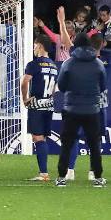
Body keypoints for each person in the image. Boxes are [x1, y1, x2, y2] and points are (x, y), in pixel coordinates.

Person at [56, 33, 106, 187]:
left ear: (75, 45)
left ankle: (62, 177)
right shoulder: (97, 63)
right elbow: (103, 86)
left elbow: (62, 86)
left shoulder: (68, 63)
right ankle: (97, 178)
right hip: (92, 110)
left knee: (67, 144)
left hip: (71, 109)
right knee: (94, 145)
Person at [21, 34, 57, 182]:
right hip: (48, 105)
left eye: (35, 45)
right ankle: (44, 172)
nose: (34, 48)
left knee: (37, 137)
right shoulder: (54, 65)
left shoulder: (34, 64)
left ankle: (44, 173)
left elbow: (24, 82)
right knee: (42, 137)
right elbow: (55, 88)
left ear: (40, 46)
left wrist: (25, 99)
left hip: (36, 105)